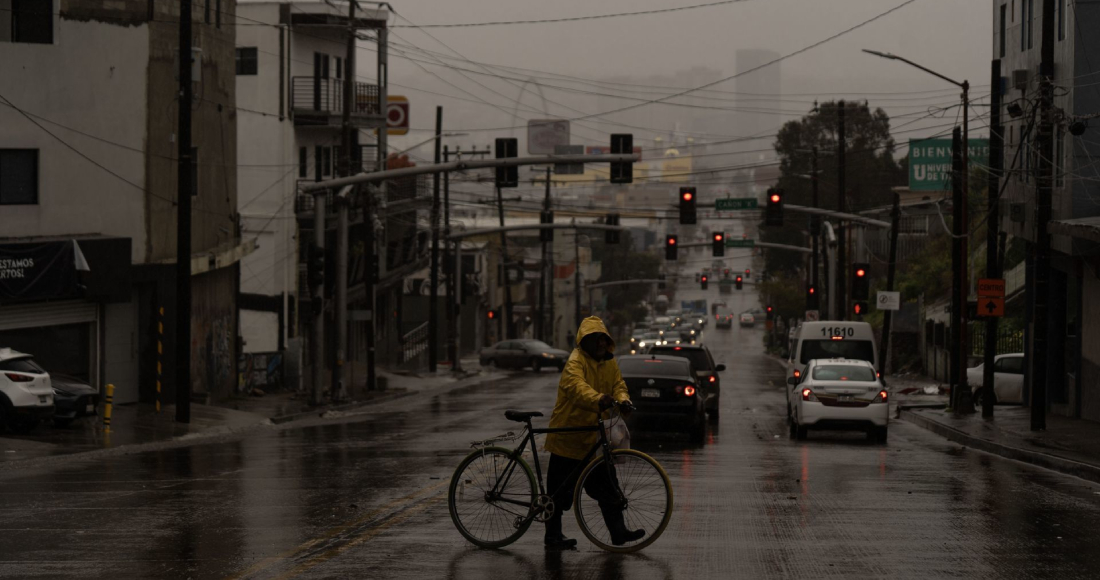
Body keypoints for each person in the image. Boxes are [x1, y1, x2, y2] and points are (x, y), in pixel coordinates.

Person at [543, 316, 645, 550]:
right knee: (559, 492)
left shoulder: (609, 363)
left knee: (608, 487)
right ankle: (552, 536)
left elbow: (618, 385)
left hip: (595, 440)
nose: (600, 344)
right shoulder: (575, 362)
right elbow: (576, 388)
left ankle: (618, 533)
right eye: (595, 339)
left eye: (603, 339)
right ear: (584, 342)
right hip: (568, 437)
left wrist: (623, 400)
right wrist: (599, 399)